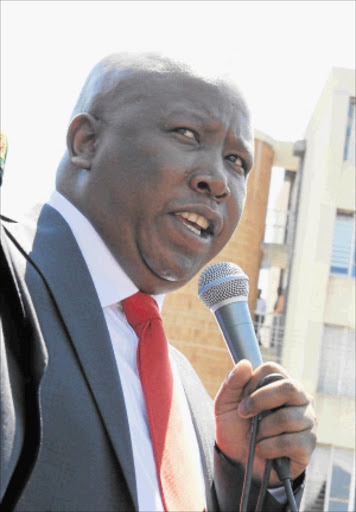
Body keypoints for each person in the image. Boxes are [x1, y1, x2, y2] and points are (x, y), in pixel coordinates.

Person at [0, 53, 317, 512]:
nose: (218, 180)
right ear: (86, 142)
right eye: (186, 134)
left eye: (237, 161)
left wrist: (250, 479)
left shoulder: (188, 393)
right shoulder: (11, 278)